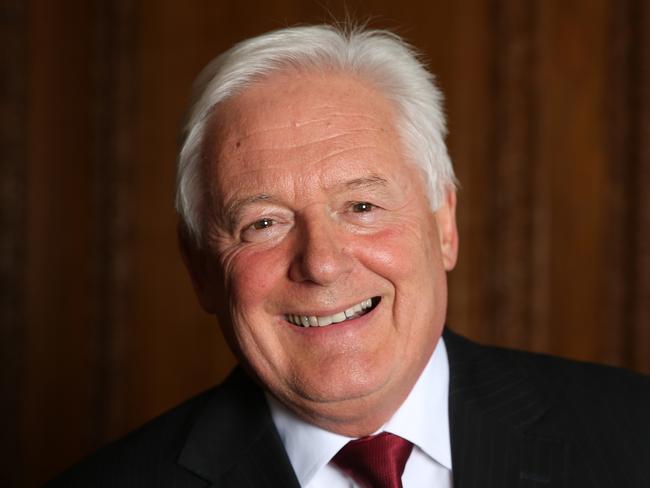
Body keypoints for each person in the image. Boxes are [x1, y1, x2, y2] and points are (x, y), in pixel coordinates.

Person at [49, 24, 650, 488]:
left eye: (361, 206)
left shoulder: (633, 435)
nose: (323, 263)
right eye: (263, 223)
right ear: (200, 270)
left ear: (444, 225)